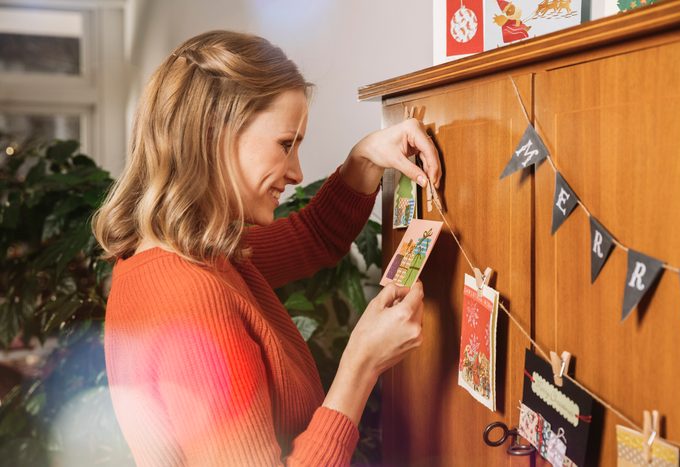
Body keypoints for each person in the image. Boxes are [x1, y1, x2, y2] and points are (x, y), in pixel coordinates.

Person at [92, 30, 442, 466]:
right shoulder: (190, 297)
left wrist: (366, 157)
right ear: (212, 134)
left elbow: (313, 239)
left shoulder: (192, 252)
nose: (296, 172)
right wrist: (362, 365)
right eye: (284, 145)